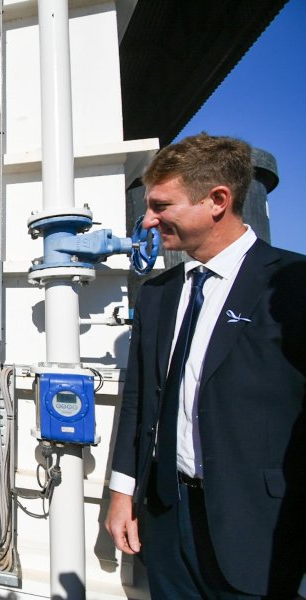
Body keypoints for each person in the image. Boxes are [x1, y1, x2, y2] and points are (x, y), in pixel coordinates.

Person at [106, 133, 305, 599]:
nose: (149, 219)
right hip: (166, 520)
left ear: (218, 200)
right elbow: (139, 399)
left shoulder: (293, 286)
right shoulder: (158, 294)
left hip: (262, 529)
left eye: (161, 205)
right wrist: (121, 494)